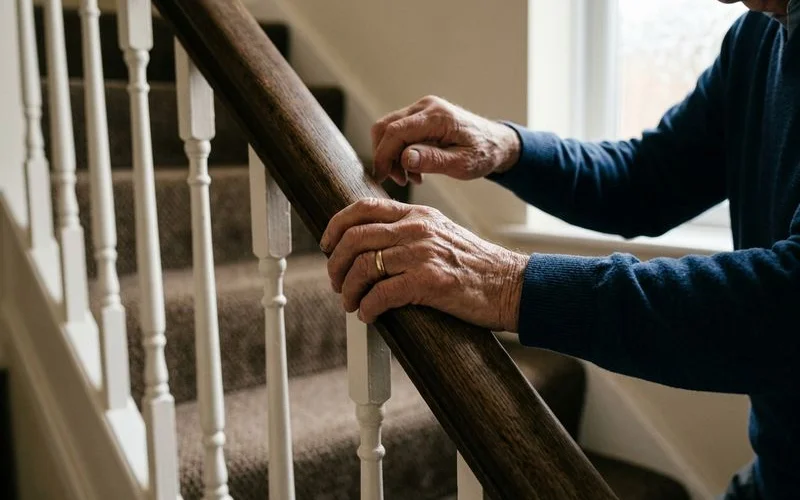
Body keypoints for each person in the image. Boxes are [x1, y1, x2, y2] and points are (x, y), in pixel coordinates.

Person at [319, 1, 800, 498]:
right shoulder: (756, 37)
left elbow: (788, 304)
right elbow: (645, 182)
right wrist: (508, 147)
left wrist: (505, 283)